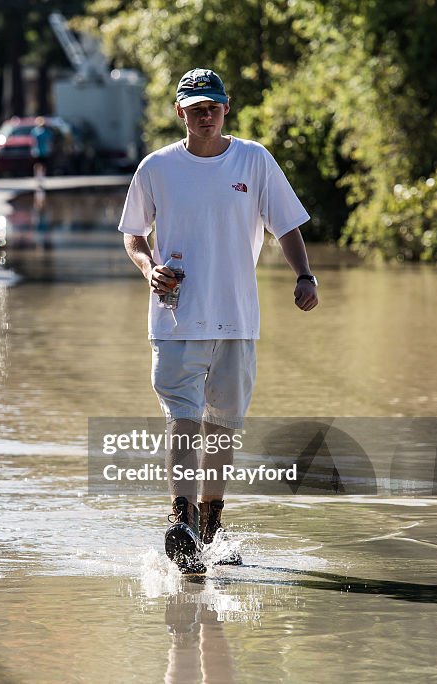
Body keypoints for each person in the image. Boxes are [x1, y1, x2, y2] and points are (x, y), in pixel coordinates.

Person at [118, 68, 319, 574]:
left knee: (222, 431)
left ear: (226, 108)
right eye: (196, 109)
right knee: (184, 424)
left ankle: (210, 528)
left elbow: (286, 223)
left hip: (236, 320)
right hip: (176, 319)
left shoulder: (253, 159)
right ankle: (181, 520)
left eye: (214, 107)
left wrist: (305, 275)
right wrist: (149, 268)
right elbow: (134, 235)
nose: (205, 116)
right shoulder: (156, 168)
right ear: (180, 113)